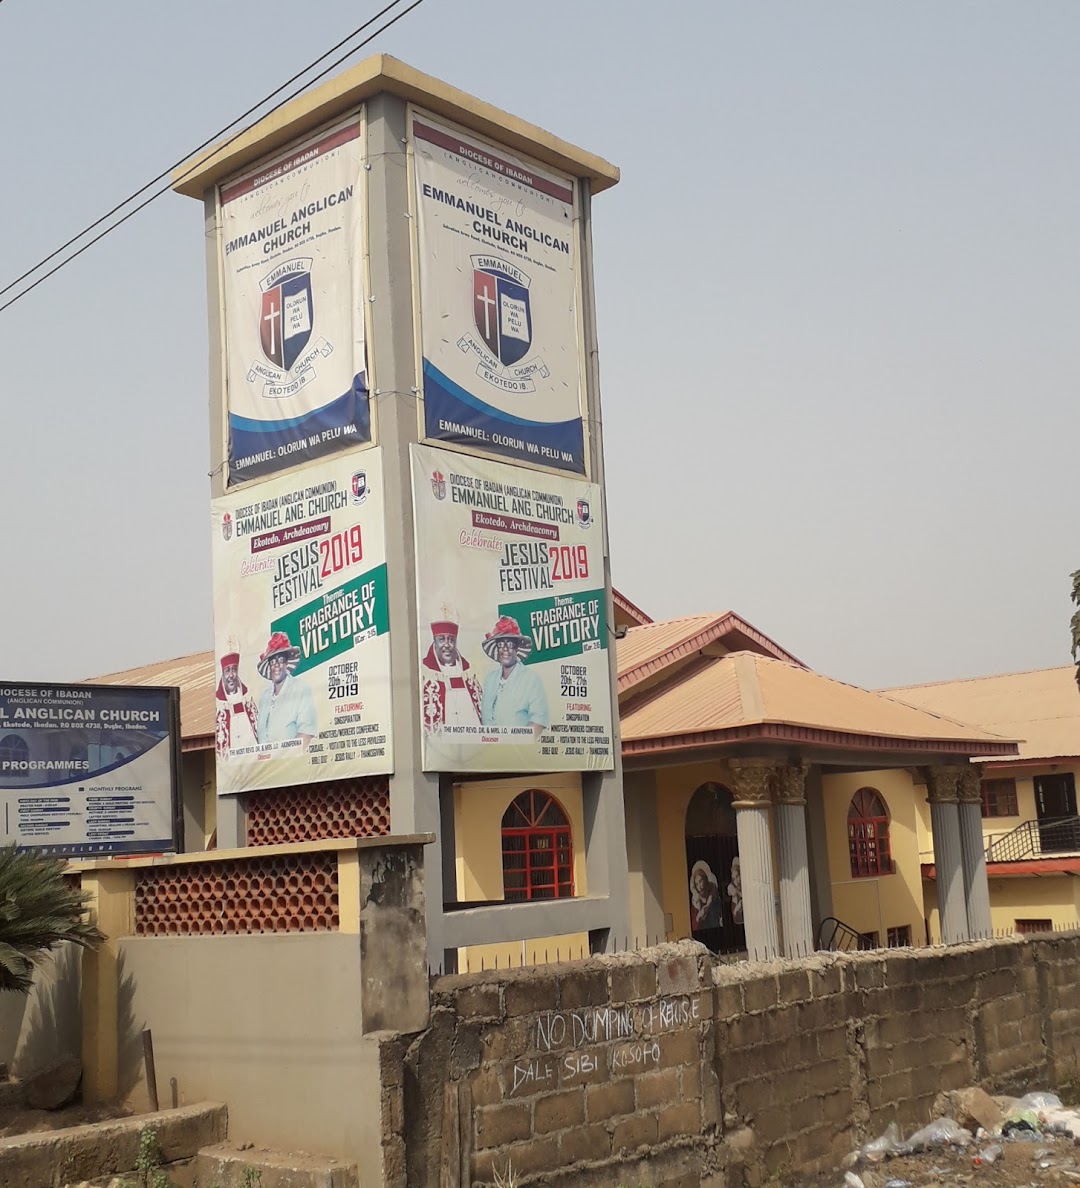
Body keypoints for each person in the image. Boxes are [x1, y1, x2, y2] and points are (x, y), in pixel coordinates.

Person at [480, 615, 548, 734]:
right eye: (501, 644)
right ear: (497, 648)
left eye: (510, 644)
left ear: (517, 648)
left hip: (517, 750)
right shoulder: (489, 679)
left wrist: (516, 748)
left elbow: (538, 722)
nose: (505, 649)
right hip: (489, 750)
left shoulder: (531, 679)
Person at [421, 609, 483, 731]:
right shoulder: (425, 675)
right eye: (441, 639)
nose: (447, 644)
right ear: (434, 641)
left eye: (451, 639)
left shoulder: (469, 676)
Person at [257, 631, 317, 748]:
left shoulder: (301, 689)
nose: (277, 665)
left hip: (290, 763)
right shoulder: (264, 697)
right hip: (266, 764)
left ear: (286, 663)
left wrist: (286, 761)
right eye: (273, 661)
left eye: (280, 660)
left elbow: (306, 732)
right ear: (269, 666)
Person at [214, 648, 259, 758]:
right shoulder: (220, 706)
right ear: (223, 674)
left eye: (234, 670)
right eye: (227, 670)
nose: (231, 675)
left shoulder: (248, 700)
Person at [689, 860, 722, 930]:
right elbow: (694, 925)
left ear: (705, 879)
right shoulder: (695, 903)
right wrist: (698, 917)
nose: (700, 886)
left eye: (700, 881)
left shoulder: (715, 899)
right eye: (697, 884)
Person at [726, 856, 744, 923]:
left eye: (737, 876)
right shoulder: (735, 895)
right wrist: (737, 909)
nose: (736, 881)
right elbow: (736, 919)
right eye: (733, 879)